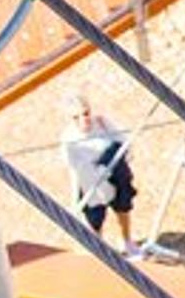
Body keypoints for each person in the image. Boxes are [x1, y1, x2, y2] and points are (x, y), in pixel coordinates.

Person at [60, 94, 139, 256]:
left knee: (123, 210)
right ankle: (102, 252)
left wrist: (116, 161)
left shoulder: (103, 124)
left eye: (86, 113)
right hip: (93, 187)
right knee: (95, 222)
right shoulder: (69, 140)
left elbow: (125, 144)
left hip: (116, 179)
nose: (84, 119)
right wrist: (75, 199)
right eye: (76, 117)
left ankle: (127, 241)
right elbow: (76, 171)